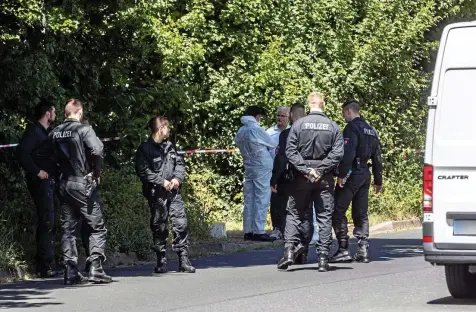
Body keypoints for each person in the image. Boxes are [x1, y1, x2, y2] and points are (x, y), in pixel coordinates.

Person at [278, 92, 344, 272]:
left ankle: (290, 251)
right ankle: (323, 258)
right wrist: (320, 170)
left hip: (301, 177)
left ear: (309, 105)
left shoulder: (298, 125)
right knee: (324, 217)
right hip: (324, 178)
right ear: (323, 105)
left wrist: (306, 170)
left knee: (294, 214)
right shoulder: (333, 126)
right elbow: (338, 153)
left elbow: (290, 151)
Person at [50, 98, 112, 285]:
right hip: (82, 183)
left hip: (64, 184)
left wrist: (56, 174)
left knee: (68, 229)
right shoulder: (84, 129)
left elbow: (44, 156)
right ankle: (96, 269)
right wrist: (96, 172)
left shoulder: (54, 133)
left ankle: (70, 271)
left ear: (65, 113)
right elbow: (97, 149)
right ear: (79, 112)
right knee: (97, 226)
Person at [135, 115, 196, 274]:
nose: (169, 130)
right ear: (161, 129)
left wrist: (177, 178)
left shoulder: (171, 146)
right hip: (157, 193)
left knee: (181, 224)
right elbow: (143, 171)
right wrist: (162, 182)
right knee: (159, 226)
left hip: (174, 192)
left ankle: (183, 259)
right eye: (167, 127)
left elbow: (180, 164)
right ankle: (161, 259)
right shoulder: (145, 149)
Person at [330, 99, 383, 264]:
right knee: (361, 212)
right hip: (365, 174)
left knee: (337, 209)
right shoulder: (371, 130)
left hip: (352, 173)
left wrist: (341, 174)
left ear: (348, 112)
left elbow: (348, 154)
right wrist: (378, 180)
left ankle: (343, 249)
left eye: (343, 113)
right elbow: (377, 157)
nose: (344, 116)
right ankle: (363, 249)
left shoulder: (351, 128)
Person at [16, 101, 61, 278]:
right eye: (54, 112)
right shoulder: (34, 131)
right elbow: (22, 154)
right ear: (48, 114)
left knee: (50, 219)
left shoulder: (46, 133)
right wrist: (38, 171)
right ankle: (44, 265)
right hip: (41, 183)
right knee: (47, 220)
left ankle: (46, 261)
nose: (55, 116)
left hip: (50, 182)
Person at [271, 103, 310, 262]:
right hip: (310, 177)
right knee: (306, 214)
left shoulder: (287, 134)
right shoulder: (311, 132)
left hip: (291, 179)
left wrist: (274, 180)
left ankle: (292, 247)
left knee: (290, 214)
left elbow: (281, 158)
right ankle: (304, 252)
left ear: (292, 115)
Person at [235, 105, 277, 242]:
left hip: (248, 165)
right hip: (262, 166)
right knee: (262, 197)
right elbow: (272, 143)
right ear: (257, 116)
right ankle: (259, 230)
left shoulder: (241, 131)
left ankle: (248, 231)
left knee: (249, 198)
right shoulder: (256, 129)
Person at [267, 107, 290, 240]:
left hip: (289, 173)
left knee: (289, 203)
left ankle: (287, 228)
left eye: (283, 116)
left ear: (289, 117)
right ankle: (277, 229)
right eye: (278, 115)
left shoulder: (293, 131)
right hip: (273, 172)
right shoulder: (269, 133)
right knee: (275, 202)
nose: (279, 118)